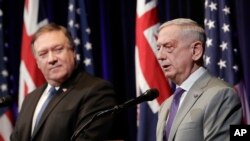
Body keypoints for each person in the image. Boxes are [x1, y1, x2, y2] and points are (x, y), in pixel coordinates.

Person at [11, 23, 117, 141]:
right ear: (37, 62)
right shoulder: (30, 98)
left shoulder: (96, 90)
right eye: (43, 54)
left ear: (73, 52)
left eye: (58, 49)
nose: (51, 59)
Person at [156, 18, 242, 141]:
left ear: (196, 51)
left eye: (168, 47)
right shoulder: (166, 105)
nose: (160, 56)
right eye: (158, 48)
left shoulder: (221, 95)